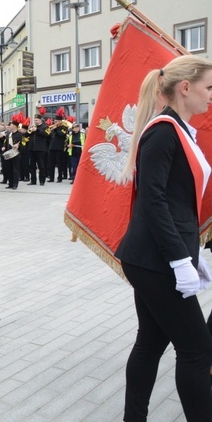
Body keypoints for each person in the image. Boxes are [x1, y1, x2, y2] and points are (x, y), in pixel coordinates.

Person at [115, 56, 212, 421]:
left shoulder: (180, 130)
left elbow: (176, 200)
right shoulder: (163, 132)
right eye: (208, 88)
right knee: (198, 350)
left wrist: (192, 251)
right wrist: (178, 258)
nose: (210, 96)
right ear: (185, 88)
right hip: (155, 260)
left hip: (159, 255)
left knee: (152, 341)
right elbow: (153, 202)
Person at [28, 113, 48, 186]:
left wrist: (37, 130)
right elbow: (27, 135)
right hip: (32, 148)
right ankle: (33, 180)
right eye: (35, 120)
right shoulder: (33, 127)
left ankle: (42, 180)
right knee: (32, 165)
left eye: (36, 120)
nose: (35, 121)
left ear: (40, 120)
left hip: (40, 149)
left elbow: (46, 135)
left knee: (41, 165)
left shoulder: (45, 127)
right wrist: (29, 130)